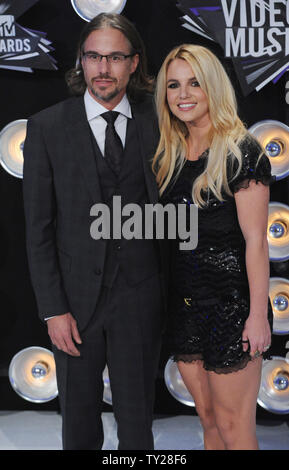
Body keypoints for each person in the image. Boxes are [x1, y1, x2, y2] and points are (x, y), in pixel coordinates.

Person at [23, 13, 166, 450]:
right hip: (74, 305)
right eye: (93, 57)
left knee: (138, 428)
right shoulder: (47, 127)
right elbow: (38, 228)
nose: (103, 68)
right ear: (81, 62)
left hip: (140, 300)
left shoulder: (161, 120)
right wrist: (53, 310)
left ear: (134, 63)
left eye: (115, 57)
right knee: (80, 428)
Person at [152, 44, 274, 450]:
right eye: (173, 85)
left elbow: (257, 242)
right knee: (207, 420)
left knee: (234, 425)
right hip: (185, 308)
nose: (183, 94)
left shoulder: (242, 150)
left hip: (231, 306)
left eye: (194, 83)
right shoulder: (167, 154)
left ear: (213, 88)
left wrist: (258, 315)